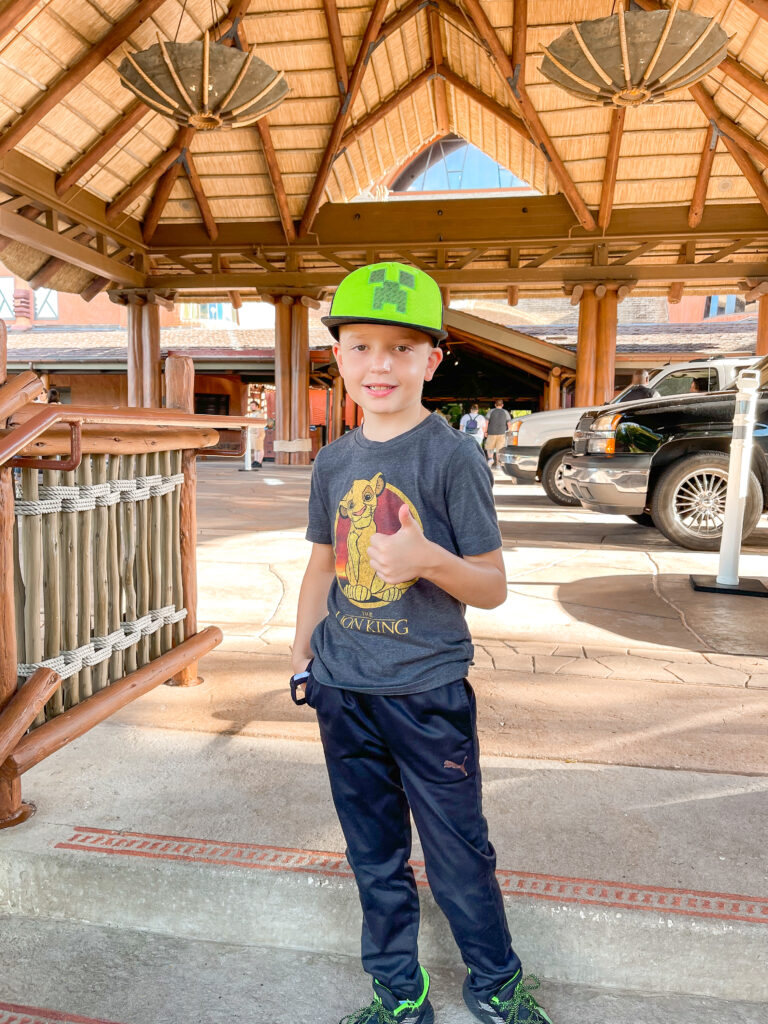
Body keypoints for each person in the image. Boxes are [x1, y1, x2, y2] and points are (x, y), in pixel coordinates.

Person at [290, 261, 552, 1024]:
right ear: (336, 355)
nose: (381, 364)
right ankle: (401, 994)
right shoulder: (335, 460)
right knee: (372, 855)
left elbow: (492, 585)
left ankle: (497, 985)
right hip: (346, 689)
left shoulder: (451, 456)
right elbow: (320, 561)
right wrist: (301, 653)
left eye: (403, 348)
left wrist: (427, 560)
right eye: (363, 345)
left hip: (427, 693)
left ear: (432, 360)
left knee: (457, 853)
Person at [484, 399, 512, 468]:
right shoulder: (505, 412)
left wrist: (485, 431)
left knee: (490, 448)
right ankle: (498, 464)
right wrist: (509, 432)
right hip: (502, 433)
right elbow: (509, 423)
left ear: (495, 405)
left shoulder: (491, 411)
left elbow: (486, 422)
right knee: (499, 449)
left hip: (491, 432)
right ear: (502, 405)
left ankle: (490, 459)